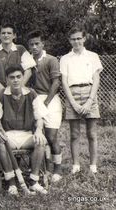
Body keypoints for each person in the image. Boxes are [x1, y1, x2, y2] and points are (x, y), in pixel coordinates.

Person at [0, 64, 48, 195]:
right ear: (7, 80)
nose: (15, 80)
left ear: (22, 78)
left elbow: (40, 116)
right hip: (8, 134)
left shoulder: (31, 93)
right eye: (12, 77)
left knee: (41, 141)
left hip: (26, 134)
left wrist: (38, 130)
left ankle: (33, 181)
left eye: (18, 77)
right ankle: (11, 183)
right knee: (2, 143)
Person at [60, 26, 103, 175]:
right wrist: (72, 102)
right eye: (73, 39)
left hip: (89, 92)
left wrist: (90, 100)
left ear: (84, 38)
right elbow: (64, 82)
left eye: (79, 38)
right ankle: (76, 166)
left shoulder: (93, 56)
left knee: (91, 133)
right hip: (72, 94)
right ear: (69, 40)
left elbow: (96, 79)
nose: (76, 41)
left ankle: (93, 166)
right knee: (74, 134)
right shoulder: (65, 58)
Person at [27, 30, 63, 182]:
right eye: (31, 44)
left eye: (37, 44)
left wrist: (46, 102)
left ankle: (57, 169)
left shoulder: (51, 59)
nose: (34, 47)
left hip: (51, 100)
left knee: (51, 136)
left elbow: (56, 82)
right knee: (38, 136)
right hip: (34, 99)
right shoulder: (27, 60)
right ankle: (45, 169)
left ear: (42, 44)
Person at [0, 23, 36, 90]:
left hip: (18, 90)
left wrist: (19, 87)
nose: (6, 35)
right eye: (3, 33)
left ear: (14, 35)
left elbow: (28, 70)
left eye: (9, 33)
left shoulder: (20, 49)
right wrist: (3, 90)